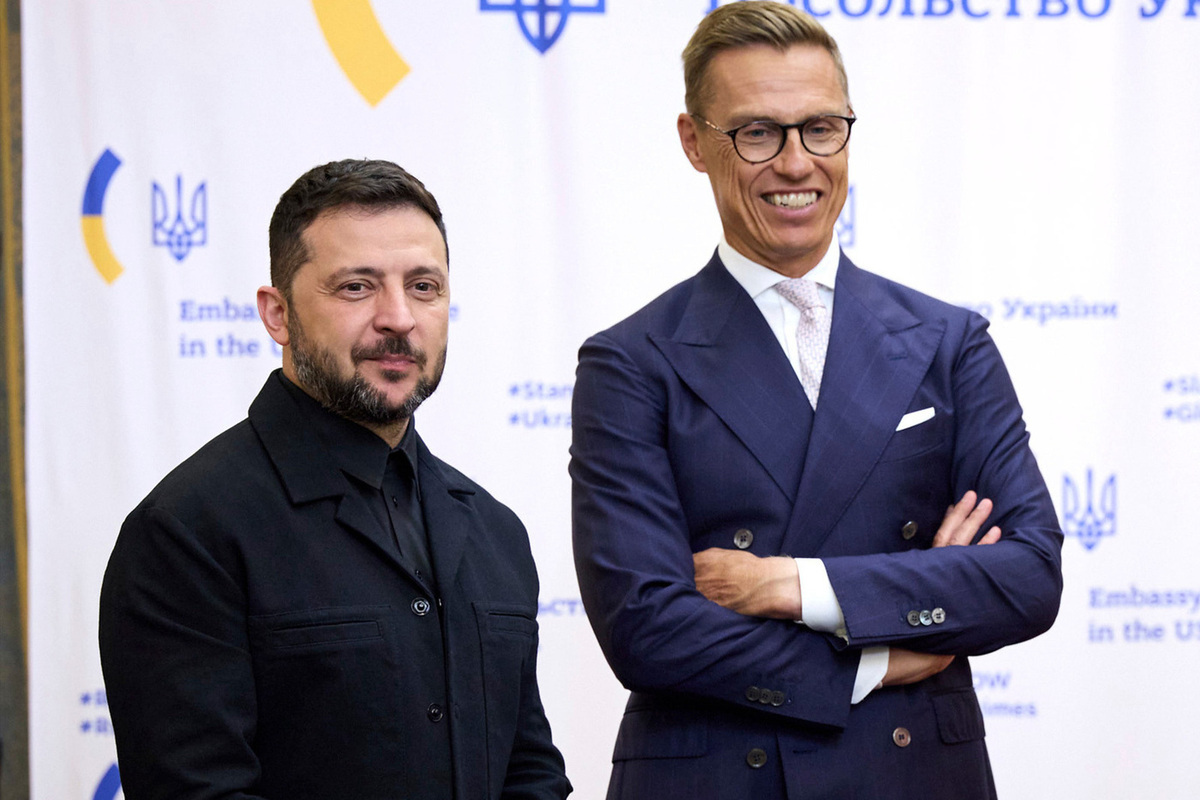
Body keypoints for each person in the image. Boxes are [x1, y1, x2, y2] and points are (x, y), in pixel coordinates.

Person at [569, 4, 1063, 798]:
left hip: (915, 774)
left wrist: (792, 586)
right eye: (758, 133)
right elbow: (646, 626)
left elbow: (1028, 575)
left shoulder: (948, 341)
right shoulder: (631, 361)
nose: (796, 163)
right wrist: (881, 653)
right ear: (694, 142)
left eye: (821, 129)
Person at [100, 159, 572, 800]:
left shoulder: (495, 531)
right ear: (277, 314)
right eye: (356, 287)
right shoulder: (188, 533)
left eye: (424, 287)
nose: (399, 317)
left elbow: (531, 773)